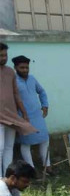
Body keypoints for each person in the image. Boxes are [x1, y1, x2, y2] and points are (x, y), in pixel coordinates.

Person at [12, 55, 52, 174]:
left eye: (27, 68)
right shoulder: (12, 82)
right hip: (22, 117)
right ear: (15, 67)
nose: (25, 70)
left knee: (44, 139)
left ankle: (47, 166)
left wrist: (45, 105)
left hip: (37, 116)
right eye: (22, 68)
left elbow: (42, 91)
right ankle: (32, 169)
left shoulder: (32, 79)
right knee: (26, 143)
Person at [0, 43, 35, 176]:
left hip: (12, 115)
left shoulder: (10, 72)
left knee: (9, 147)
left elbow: (16, 94)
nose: (4, 58)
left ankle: (7, 176)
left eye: (5, 55)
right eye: (1, 55)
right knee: (0, 148)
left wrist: (24, 113)